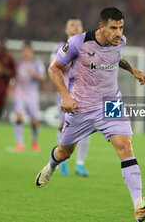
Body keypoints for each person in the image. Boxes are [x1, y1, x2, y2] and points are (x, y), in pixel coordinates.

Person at [35, 7, 145, 221]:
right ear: (101, 27)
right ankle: (51, 165)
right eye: (113, 28)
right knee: (65, 153)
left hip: (111, 103)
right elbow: (53, 69)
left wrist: (133, 70)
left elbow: (116, 58)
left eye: (121, 28)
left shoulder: (120, 41)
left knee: (126, 147)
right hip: (81, 108)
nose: (118, 33)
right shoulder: (77, 43)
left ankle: (139, 205)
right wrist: (65, 96)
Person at [50, 16, 90, 176]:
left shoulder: (88, 46)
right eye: (72, 25)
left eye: (78, 25)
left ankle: (80, 164)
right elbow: (55, 66)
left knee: (86, 128)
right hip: (65, 93)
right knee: (63, 127)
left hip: (84, 94)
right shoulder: (59, 47)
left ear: (82, 29)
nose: (75, 27)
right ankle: (63, 162)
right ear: (66, 30)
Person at [12, 41, 46, 152]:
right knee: (18, 117)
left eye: (28, 51)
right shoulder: (18, 64)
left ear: (32, 52)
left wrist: (33, 73)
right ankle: (19, 143)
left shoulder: (37, 63)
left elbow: (43, 78)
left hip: (32, 95)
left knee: (34, 120)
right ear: (22, 52)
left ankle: (34, 141)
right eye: (24, 51)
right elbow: (13, 78)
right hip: (19, 93)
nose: (26, 53)